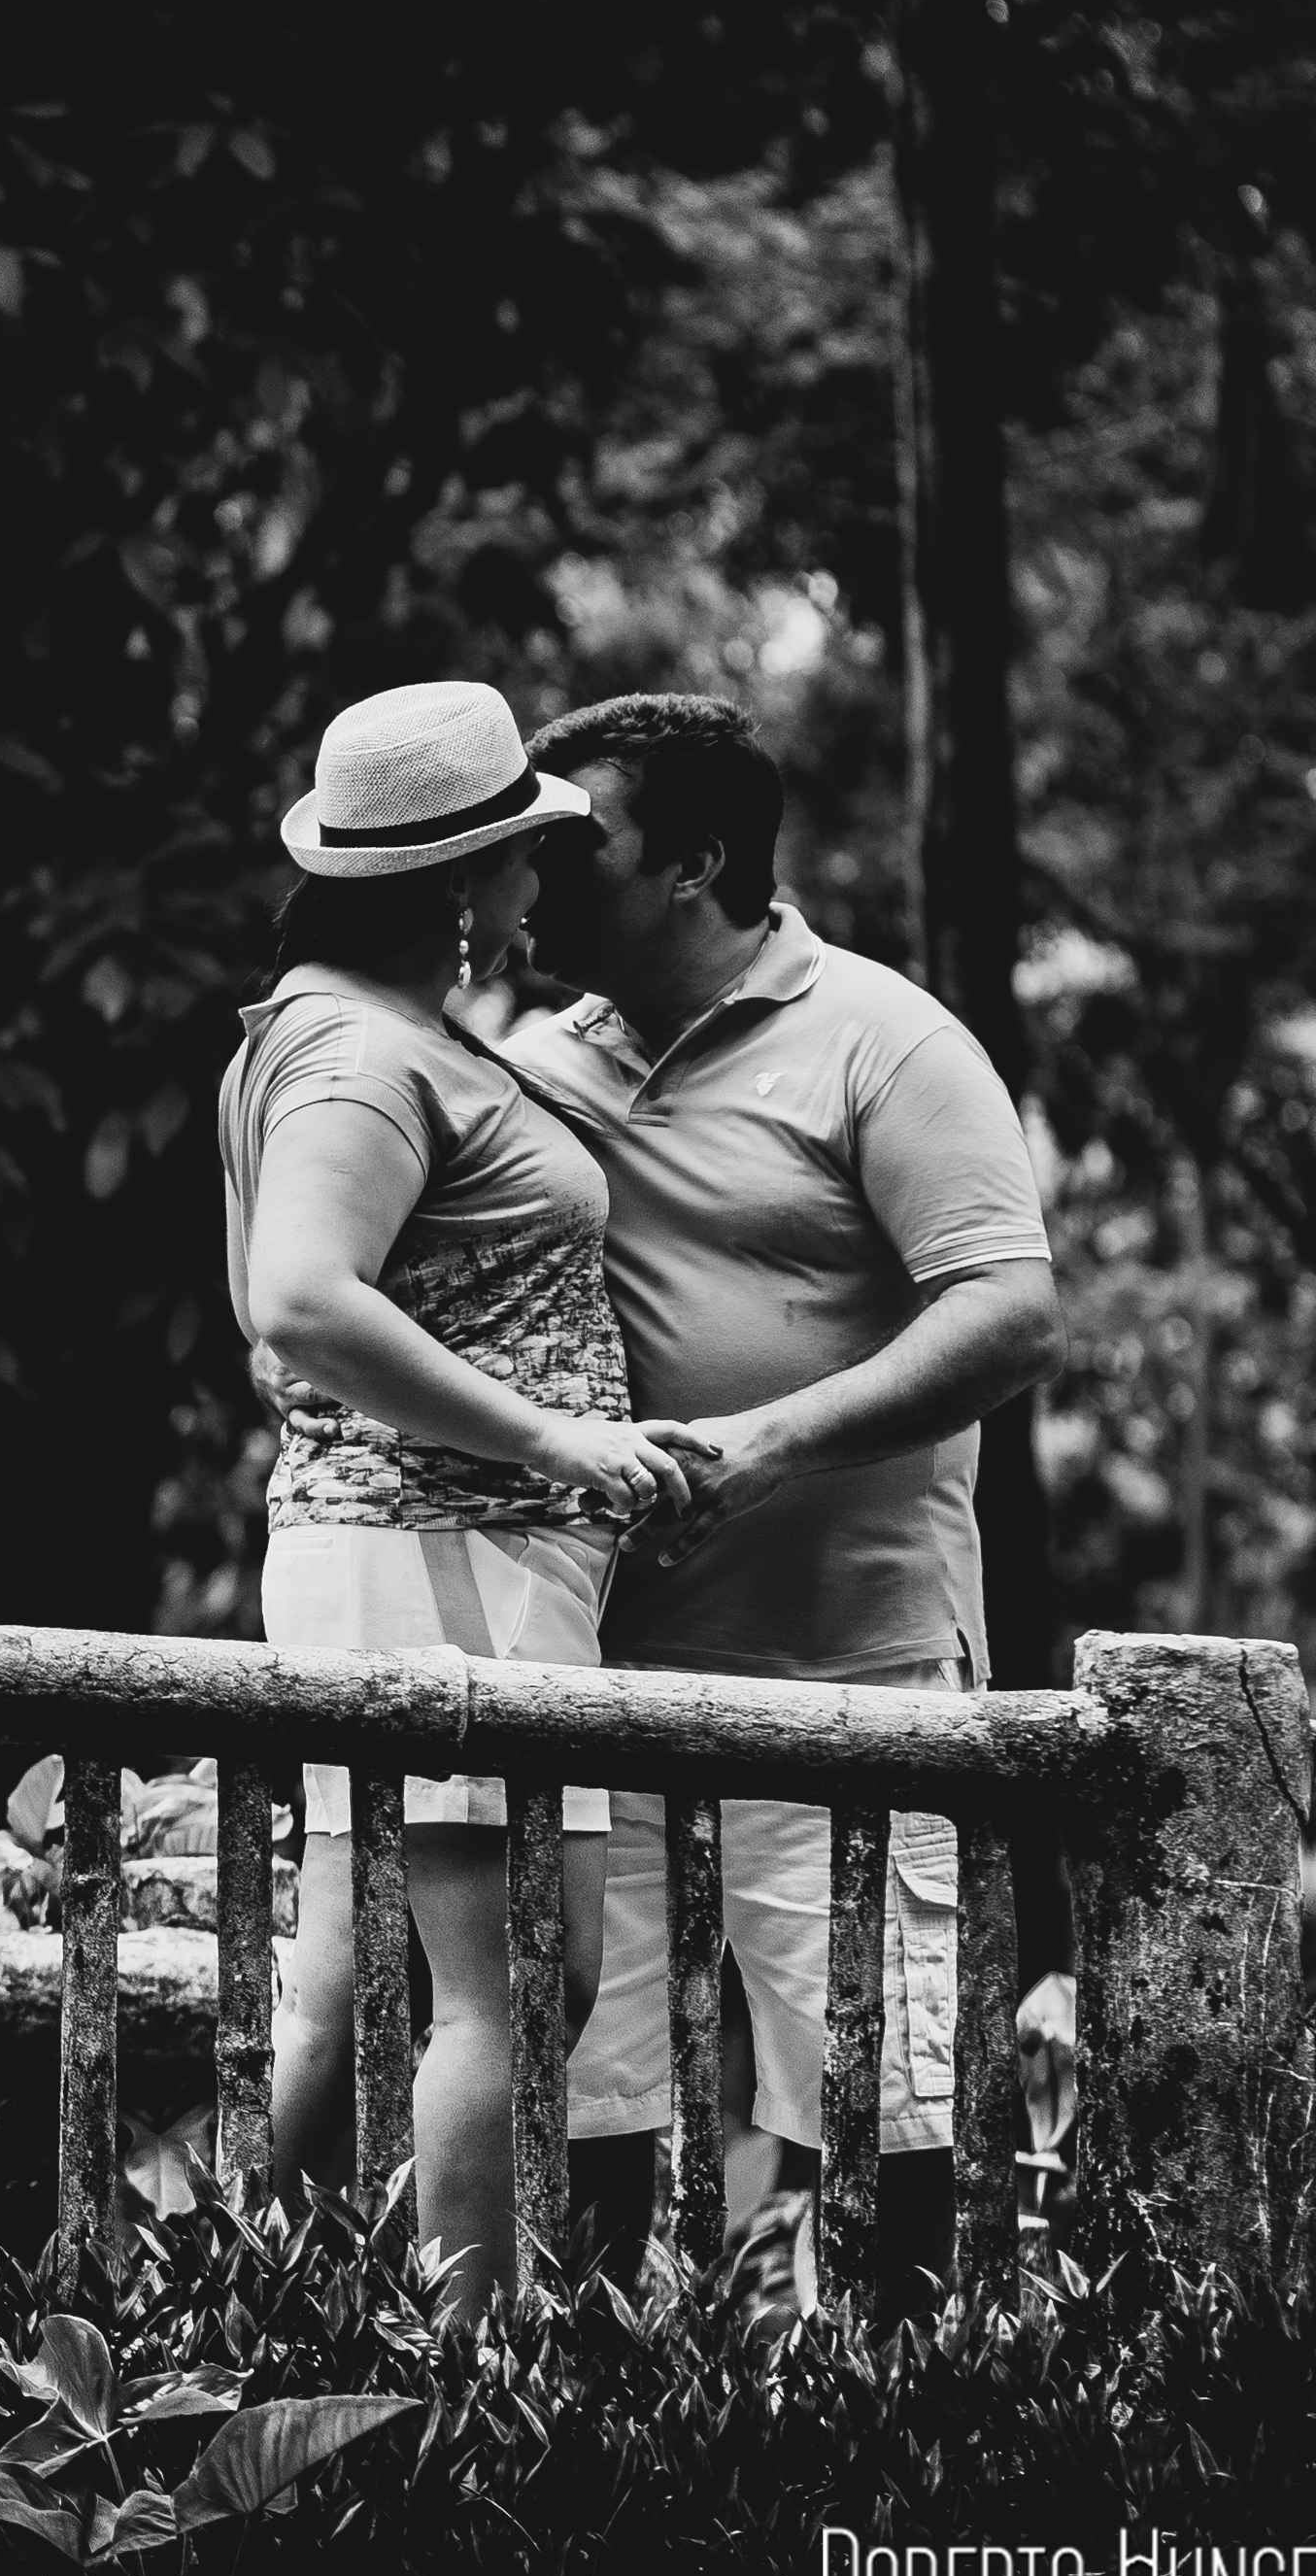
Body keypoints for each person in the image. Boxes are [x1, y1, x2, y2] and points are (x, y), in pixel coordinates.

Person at [501, 693, 1059, 2307]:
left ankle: (898, 2429)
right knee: (585, 2116)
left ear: (693, 864)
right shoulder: (528, 1070)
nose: (531, 877)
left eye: (573, 844)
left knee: (884, 2120)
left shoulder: (884, 1037)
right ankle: (591, 2431)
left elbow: (1007, 1315)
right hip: (591, 1681)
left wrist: (761, 1446)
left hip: (848, 1680)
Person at [220, 682, 688, 2313]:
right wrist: (555, 1443)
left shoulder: (341, 1026)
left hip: (423, 1553)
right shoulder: (358, 1047)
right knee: (512, 1984)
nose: (543, 883)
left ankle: (243, 2326)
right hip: (441, 1557)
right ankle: (462, 2377)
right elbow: (299, 1300)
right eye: (526, 855)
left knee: (359, 1979)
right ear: (459, 884)